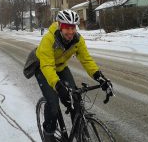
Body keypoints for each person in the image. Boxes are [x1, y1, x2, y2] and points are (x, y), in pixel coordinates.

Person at [23, 9, 112, 142]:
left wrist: (99, 77)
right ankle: (49, 133)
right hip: (43, 69)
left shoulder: (77, 40)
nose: (70, 32)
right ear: (60, 26)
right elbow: (47, 66)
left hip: (60, 67)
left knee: (75, 98)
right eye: (66, 28)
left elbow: (86, 60)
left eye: (73, 28)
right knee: (53, 103)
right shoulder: (49, 39)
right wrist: (58, 86)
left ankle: (79, 134)